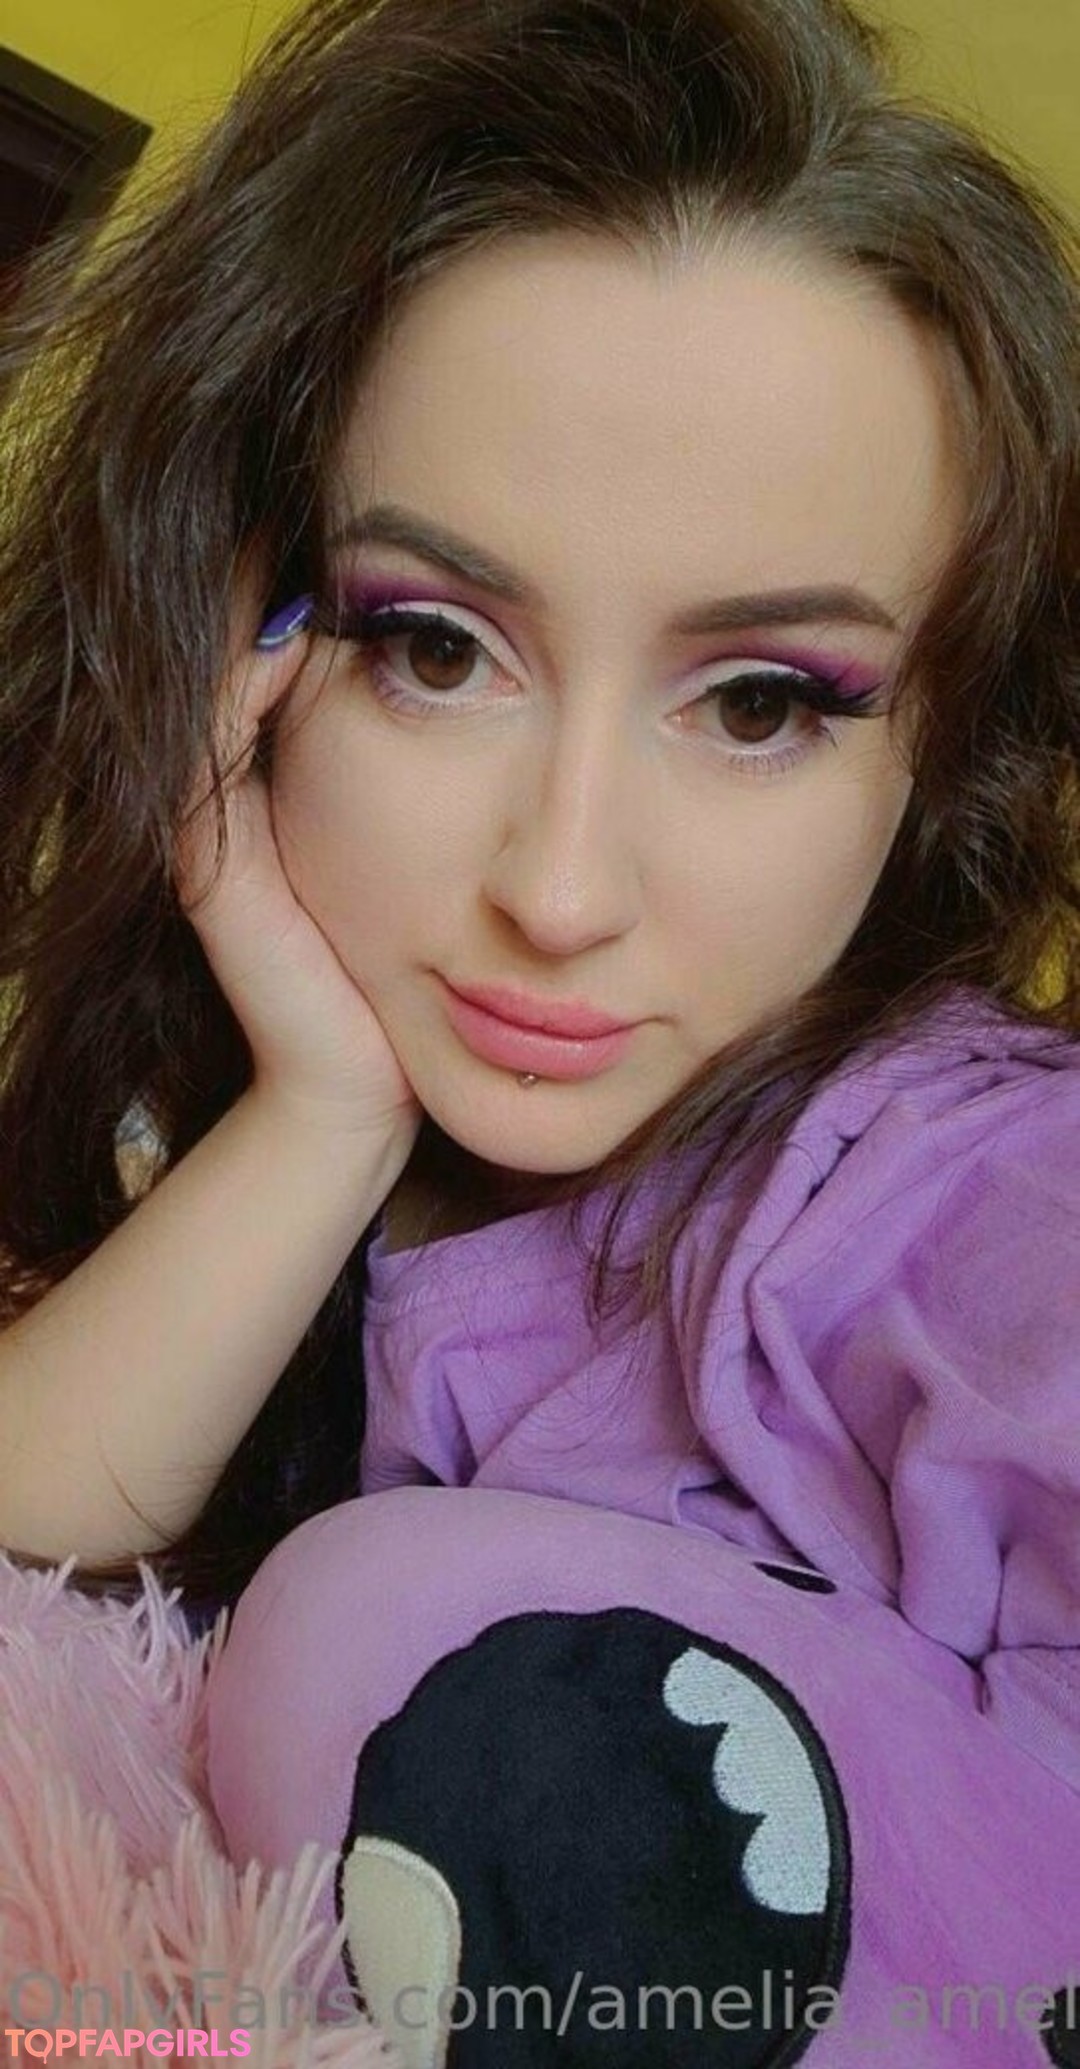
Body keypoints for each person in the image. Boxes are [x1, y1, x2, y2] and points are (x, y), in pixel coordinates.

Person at [0, 0, 1078, 2058]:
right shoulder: (297, 1149)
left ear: (937, 755)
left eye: (760, 701)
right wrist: (321, 1112)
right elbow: (36, 1512)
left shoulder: (952, 1190)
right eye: (434, 648)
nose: (563, 888)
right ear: (245, 640)